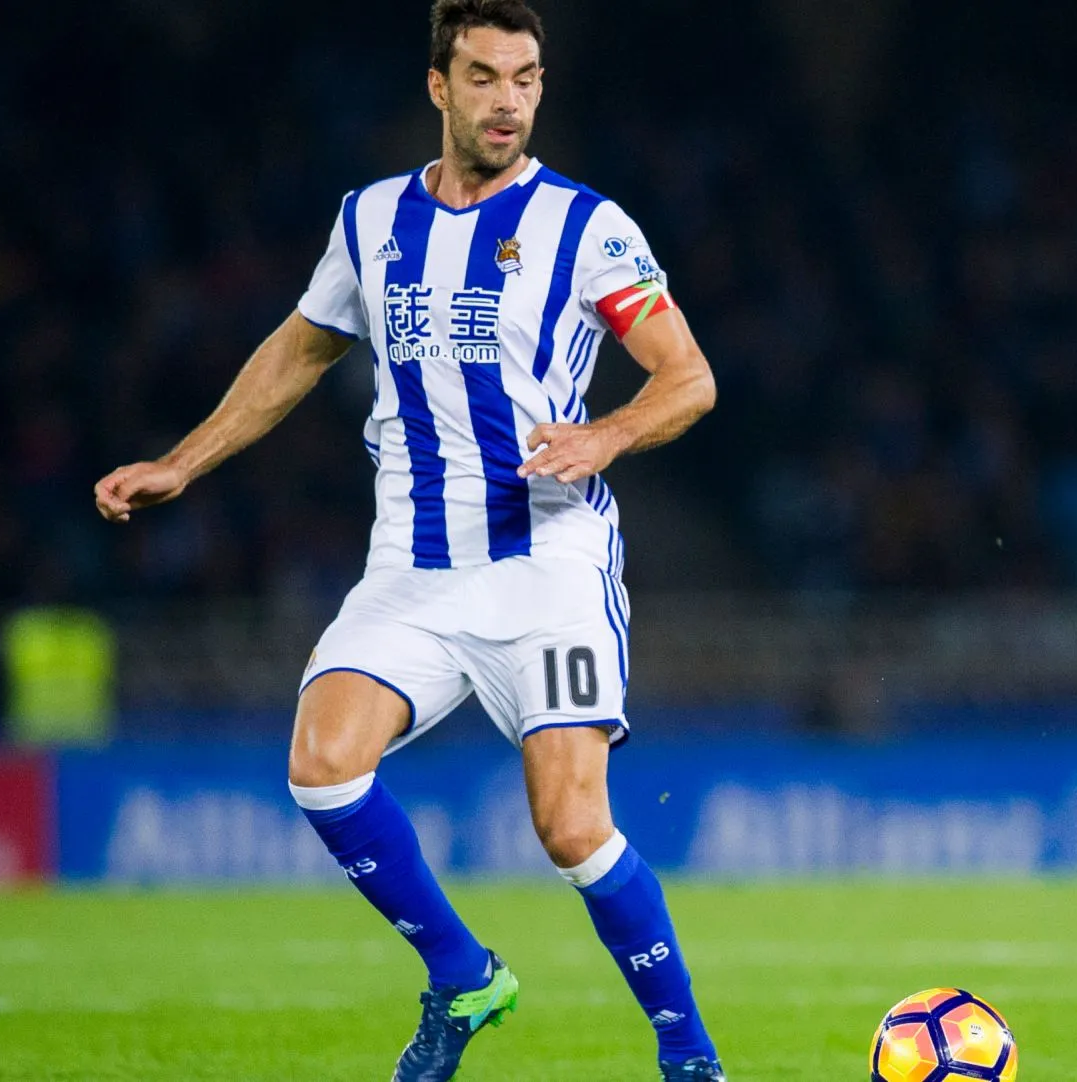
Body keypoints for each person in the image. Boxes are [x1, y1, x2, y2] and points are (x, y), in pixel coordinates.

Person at [93, 2, 725, 1078]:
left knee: (572, 827)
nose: (508, 100)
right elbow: (297, 352)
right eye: (484, 77)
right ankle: (464, 976)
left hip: (546, 567)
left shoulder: (588, 225)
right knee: (321, 765)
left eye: (526, 78)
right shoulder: (372, 219)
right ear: (439, 87)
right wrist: (183, 462)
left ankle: (690, 1056)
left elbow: (690, 377)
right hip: (412, 571)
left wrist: (607, 433)